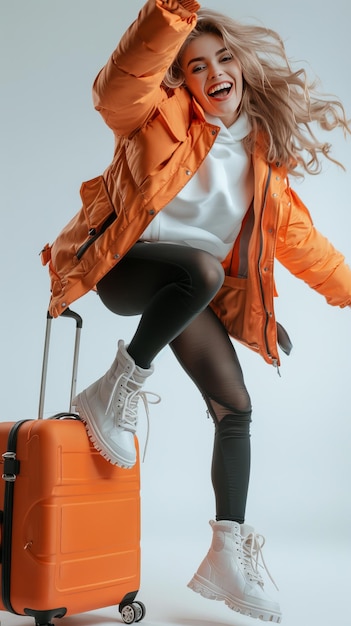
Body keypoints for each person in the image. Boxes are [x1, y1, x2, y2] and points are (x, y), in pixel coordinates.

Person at [41, 0, 351, 622]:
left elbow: (310, 251)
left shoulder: (263, 169)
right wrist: (168, 19)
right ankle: (118, 386)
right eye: (196, 65)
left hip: (190, 294)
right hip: (130, 271)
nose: (215, 73)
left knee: (236, 409)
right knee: (201, 269)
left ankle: (226, 551)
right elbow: (116, 90)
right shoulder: (158, 115)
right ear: (181, 77)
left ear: (241, 68)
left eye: (225, 58)